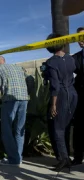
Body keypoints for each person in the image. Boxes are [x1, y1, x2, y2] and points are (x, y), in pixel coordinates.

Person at [45, 33, 77, 171]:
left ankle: (64, 159)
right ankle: (66, 157)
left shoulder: (51, 62)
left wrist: (53, 104)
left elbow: (55, 85)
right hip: (73, 94)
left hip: (62, 95)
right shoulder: (71, 59)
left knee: (57, 128)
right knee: (66, 126)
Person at [0, 56, 29, 166]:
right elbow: (30, 79)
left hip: (9, 100)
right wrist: (27, 93)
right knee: (20, 129)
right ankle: (18, 158)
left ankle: (14, 159)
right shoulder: (18, 67)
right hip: (24, 99)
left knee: (7, 130)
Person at [71, 27, 84, 165]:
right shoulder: (75, 58)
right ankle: (78, 156)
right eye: (78, 38)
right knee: (79, 127)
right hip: (81, 97)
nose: (80, 40)